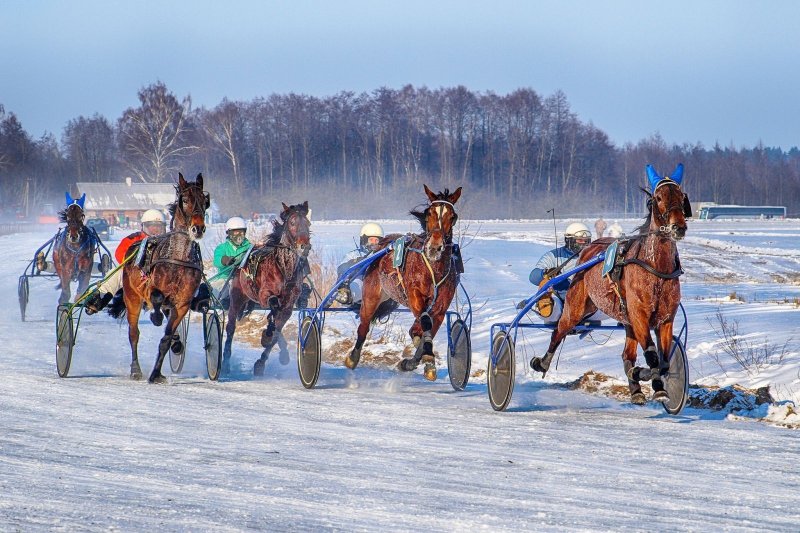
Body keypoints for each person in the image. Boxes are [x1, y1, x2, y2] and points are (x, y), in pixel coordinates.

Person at [84, 209, 167, 314]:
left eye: (158, 226)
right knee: (119, 273)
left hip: (160, 276)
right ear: (144, 227)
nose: (155, 229)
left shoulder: (167, 241)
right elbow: (120, 253)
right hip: (136, 274)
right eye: (152, 226)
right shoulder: (134, 238)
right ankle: (99, 298)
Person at [525, 222, 593, 324]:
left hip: (585, 298)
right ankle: (547, 307)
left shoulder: (594, 257)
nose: (583, 244)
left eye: (586, 241)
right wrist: (546, 273)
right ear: (569, 240)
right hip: (559, 297)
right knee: (548, 290)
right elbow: (533, 277)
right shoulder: (554, 256)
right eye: (580, 240)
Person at [335, 222, 384, 306]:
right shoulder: (353, 255)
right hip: (360, 283)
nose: (374, 243)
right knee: (357, 282)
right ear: (364, 240)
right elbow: (342, 268)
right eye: (371, 240)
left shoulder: (383, 254)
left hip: (379, 284)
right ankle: (345, 295)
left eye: (376, 240)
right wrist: (359, 261)